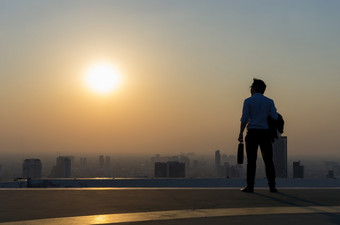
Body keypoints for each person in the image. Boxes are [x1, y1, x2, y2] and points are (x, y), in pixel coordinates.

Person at [238, 78, 278, 193]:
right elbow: (275, 117)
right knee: (268, 161)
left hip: (252, 133)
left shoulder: (248, 101)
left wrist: (240, 133)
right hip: (265, 134)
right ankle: (272, 186)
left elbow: (244, 118)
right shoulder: (269, 101)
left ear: (254, 89)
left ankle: (250, 186)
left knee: (251, 162)